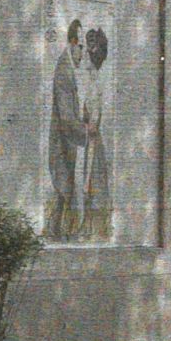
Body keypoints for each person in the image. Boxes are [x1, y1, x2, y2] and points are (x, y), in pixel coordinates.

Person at [47, 18, 87, 241]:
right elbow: (66, 116)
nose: (83, 53)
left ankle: (58, 231)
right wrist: (85, 132)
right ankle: (61, 232)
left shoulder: (67, 67)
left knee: (65, 188)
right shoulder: (64, 71)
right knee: (65, 187)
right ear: (73, 43)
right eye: (81, 47)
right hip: (63, 140)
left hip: (67, 139)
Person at [79, 26, 113, 241]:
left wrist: (90, 124)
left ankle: (96, 228)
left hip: (94, 139)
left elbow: (98, 115)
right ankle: (88, 226)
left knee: (94, 182)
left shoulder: (101, 79)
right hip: (89, 138)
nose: (90, 52)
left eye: (93, 46)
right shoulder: (91, 76)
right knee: (87, 182)